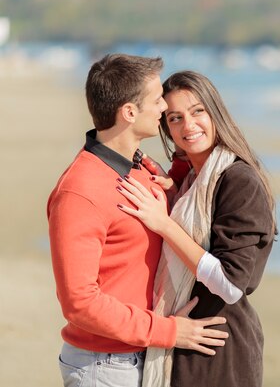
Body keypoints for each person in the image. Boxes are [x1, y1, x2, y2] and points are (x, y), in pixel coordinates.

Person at [47, 55, 229, 387]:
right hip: (104, 366)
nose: (164, 107)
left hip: (143, 357)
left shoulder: (140, 169)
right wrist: (170, 331)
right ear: (129, 112)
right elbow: (79, 303)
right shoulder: (80, 192)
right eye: (157, 98)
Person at [117, 70, 276, 387]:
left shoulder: (237, 179)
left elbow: (231, 285)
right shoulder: (192, 179)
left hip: (218, 346)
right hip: (185, 339)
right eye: (174, 118)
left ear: (215, 111)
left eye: (197, 111)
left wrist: (164, 224)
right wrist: (174, 193)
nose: (188, 126)